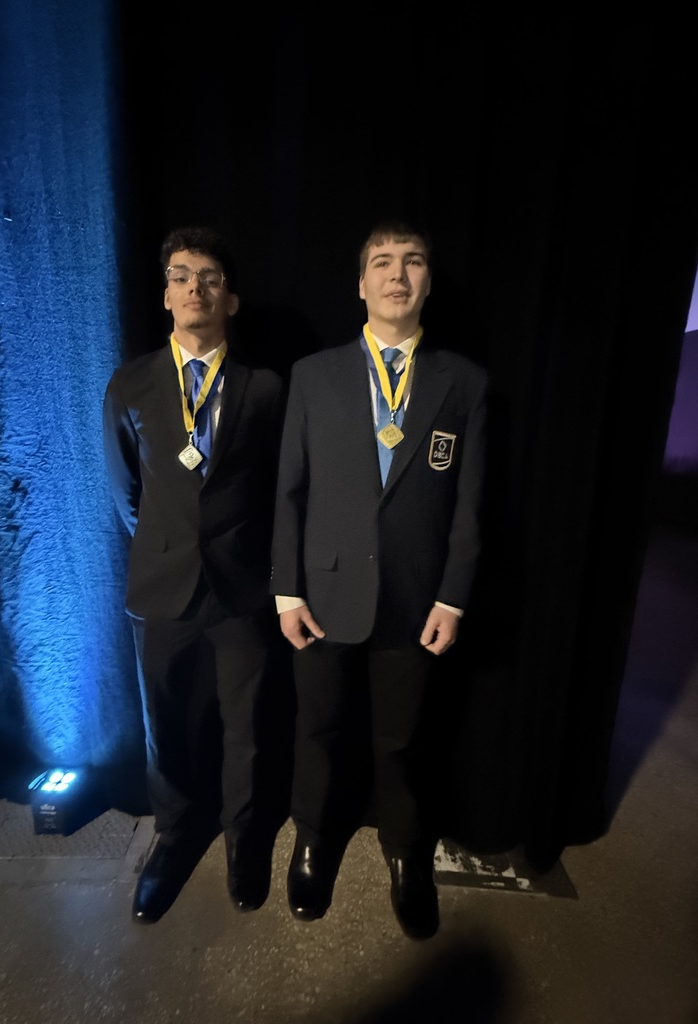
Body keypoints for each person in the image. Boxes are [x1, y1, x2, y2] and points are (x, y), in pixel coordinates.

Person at [271, 219, 488, 940]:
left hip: (416, 599)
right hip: (323, 595)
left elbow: (470, 505)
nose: (398, 274)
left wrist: (453, 596)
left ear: (428, 282)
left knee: (403, 740)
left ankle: (405, 853)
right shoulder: (314, 375)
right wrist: (286, 590)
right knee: (318, 730)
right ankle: (312, 840)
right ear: (361, 284)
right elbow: (289, 492)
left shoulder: (465, 383)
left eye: (413, 261)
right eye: (383, 263)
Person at [103, 225, 287, 924]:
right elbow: (126, 493)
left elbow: (278, 489)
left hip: (242, 589)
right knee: (166, 724)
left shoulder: (265, 388)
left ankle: (244, 837)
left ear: (230, 299)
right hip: (162, 587)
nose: (194, 288)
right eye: (180, 276)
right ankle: (176, 835)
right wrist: (170, 545)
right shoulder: (130, 385)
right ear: (165, 295)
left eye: (209, 278)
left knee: (249, 726)